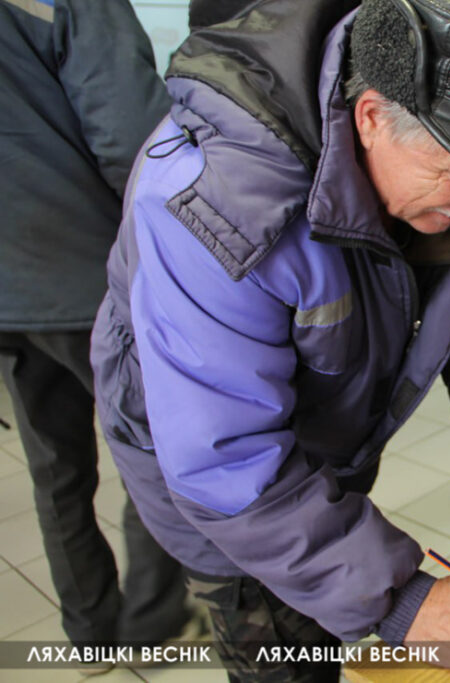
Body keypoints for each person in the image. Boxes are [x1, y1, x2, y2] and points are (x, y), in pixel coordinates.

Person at [89, 0, 450, 678]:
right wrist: (405, 602)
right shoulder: (212, 205)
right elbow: (227, 459)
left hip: (322, 444)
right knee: (286, 653)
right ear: (370, 118)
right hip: (225, 495)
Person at [0, 0, 194, 669]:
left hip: (9, 297)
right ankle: (153, 619)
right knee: (157, 452)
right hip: (90, 275)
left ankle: (90, 632)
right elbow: (133, 136)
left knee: (56, 470)